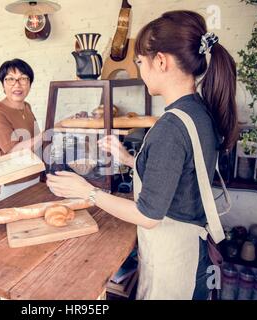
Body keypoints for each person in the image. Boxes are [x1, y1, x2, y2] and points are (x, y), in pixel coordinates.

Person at [46, 10, 238, 300]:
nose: (139, 70)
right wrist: (128, 159)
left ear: (160, 60)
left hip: (173, 266)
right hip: (191, 253)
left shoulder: (171, 127)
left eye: (140, 62)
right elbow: (180, 172)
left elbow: (147, 216)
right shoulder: (196, 111)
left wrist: (88, 193)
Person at [0, 58, 42, 185]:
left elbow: (35, 142)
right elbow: (15, 151)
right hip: (11, 181)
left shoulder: (26, 106)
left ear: (30, 84)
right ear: (3, 85)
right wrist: (47, 133)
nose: (17, 84)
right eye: (10, 79)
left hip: (34, 175)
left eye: (23, 78)